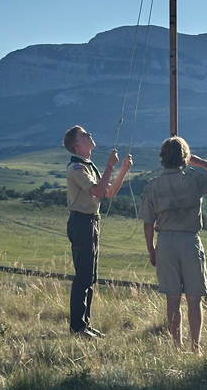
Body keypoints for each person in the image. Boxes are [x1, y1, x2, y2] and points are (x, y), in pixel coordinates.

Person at [138, 136, 207, 353]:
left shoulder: (153, 185)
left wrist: (151, 249)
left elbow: (148, 223)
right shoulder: (194, 179)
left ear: (162, 158)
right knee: (194, 298)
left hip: (165, 242)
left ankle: (176, 345)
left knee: (172, 298)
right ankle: (195, 347)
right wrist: (200, 162)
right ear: (185, 157)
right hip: (190, 241)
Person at [62, 125, 131, 337]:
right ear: (76, 144)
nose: (89, 135)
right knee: (83, 276)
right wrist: (110, 166)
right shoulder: (77, 168)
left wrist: (122, 170)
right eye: (84, 135)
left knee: (90, 276)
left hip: (91, 221)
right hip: (82, 222)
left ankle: (85, 323)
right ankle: (77, 327)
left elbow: (108, 192)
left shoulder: (87, 166)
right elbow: (98, 191)